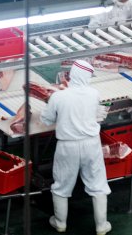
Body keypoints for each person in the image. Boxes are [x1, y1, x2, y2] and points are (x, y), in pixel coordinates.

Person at [40, 60, 112, 235]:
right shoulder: (94, 93)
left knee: (61, 186)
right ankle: (101, 226)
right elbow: (97, 114)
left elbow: (46, 120)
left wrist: (51, 106)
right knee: (98, 184)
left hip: (68, 146)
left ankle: (60, 223)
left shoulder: (58, 97)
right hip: (91, 144)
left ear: (71, 74)